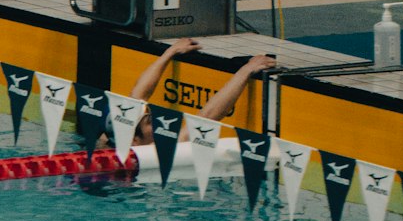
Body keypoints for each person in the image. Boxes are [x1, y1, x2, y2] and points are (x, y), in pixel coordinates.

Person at [98, 38, 275, 148]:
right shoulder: (156, 154)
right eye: (149, 121)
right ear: (134, 141)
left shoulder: (107, 140)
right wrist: (247, 70)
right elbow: (207, 117)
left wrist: (170, 52)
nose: (159, 122)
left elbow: (137, 96)